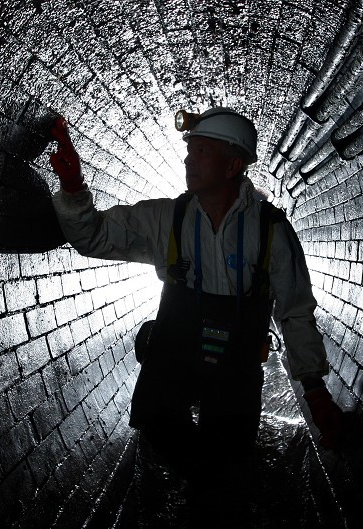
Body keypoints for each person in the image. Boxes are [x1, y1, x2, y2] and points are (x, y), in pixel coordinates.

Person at [49, 107, 343, 526]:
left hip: (236, 368)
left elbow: (295, 313)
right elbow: (93, 235)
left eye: (201, 151)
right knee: (157, 421)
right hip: (178, 354)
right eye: (190, 151)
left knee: (228, 461)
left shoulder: (271, 231)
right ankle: (203, 481)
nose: (189, 160)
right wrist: (74, 185)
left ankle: (215, 495)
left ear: (233, 165)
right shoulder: (167, 218)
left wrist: (314, 390)